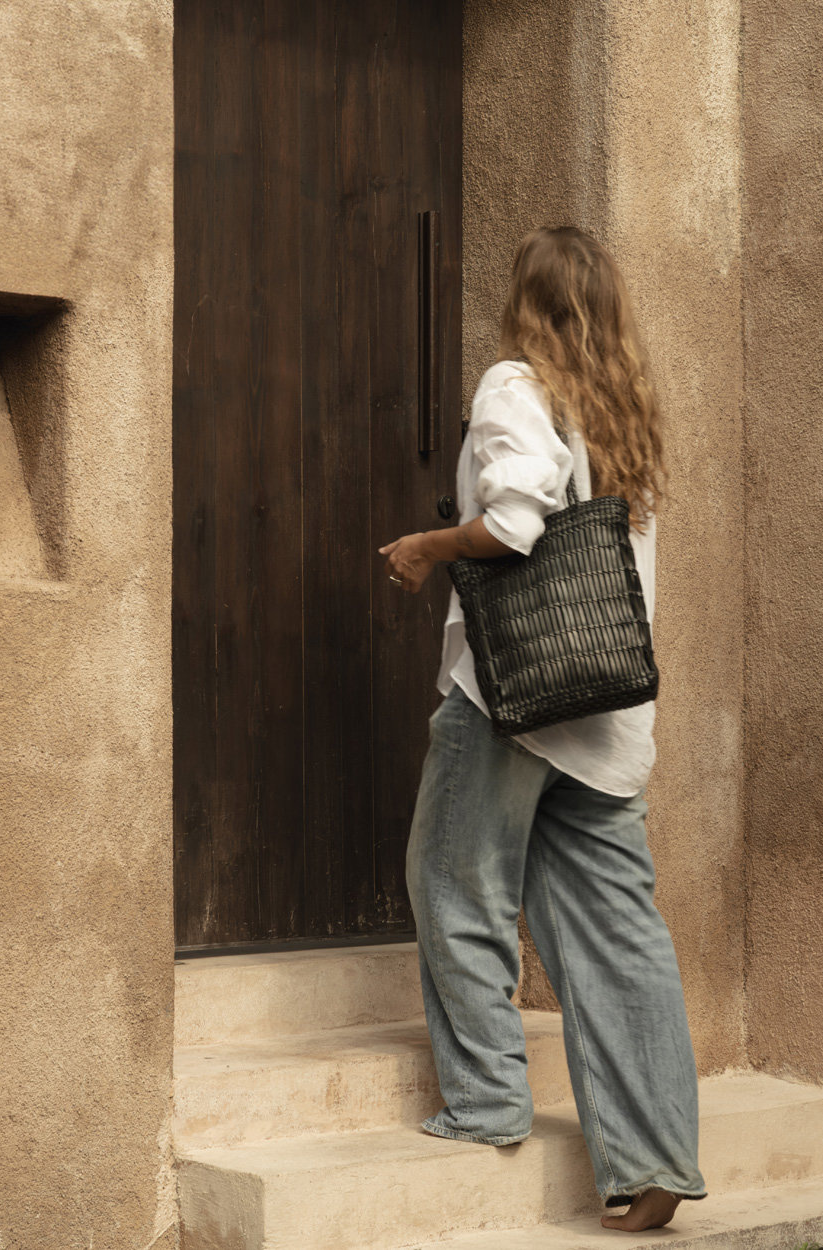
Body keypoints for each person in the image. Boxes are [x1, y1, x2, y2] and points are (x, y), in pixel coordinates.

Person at [378, 225, 707, 1234]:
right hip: (608, 715)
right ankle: (654, 1155)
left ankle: (485, 1101)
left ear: (527, 301)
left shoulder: (515, 386)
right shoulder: (620, 413)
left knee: (455, 884)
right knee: (620, 932)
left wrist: (427, 546)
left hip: (513, 702)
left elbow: (514, 525)